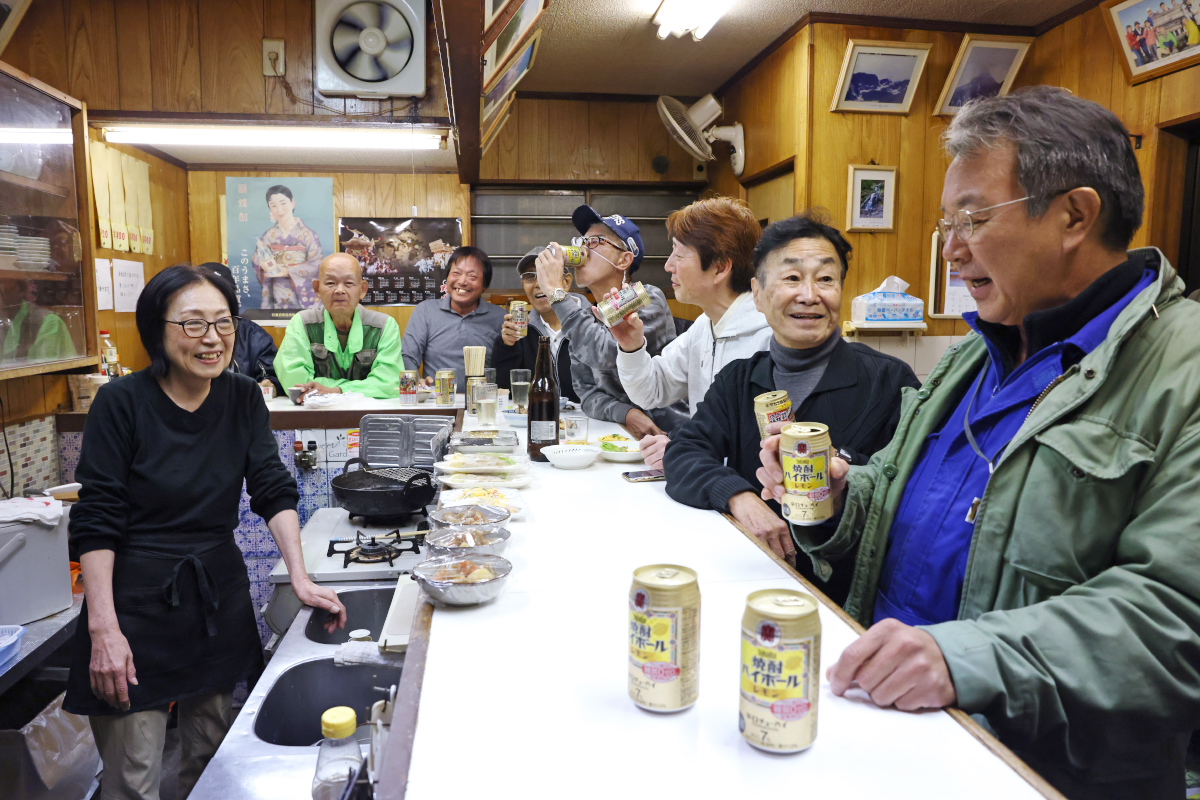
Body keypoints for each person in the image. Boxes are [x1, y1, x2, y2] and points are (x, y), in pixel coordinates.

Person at [756, 87, 1200, 800]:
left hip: (1035, 774)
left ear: (1075, 215)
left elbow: (1176, 614)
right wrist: (841, 499)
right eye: (946, 222)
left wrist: (962, 658)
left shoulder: (1185, 368)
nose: (951, 249)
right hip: (893, 734)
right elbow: (913, 505)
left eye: (973, 218)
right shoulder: (978, 352)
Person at [64, 264, 345, 800]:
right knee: (133, 778)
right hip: (135, 605)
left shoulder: (241, 397)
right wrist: (103, 629)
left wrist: (300, 579)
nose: (212, 338)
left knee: (214, 766)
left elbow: (272, 488)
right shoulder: (121, 403)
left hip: (218, 598)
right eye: (193, 324)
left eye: (223, 322)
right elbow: (97, 517)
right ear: (157, 329)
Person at [664, 213, 918, 605]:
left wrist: (843, 475)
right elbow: (685, 453)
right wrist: (739, 496)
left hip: (845, 595)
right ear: (759, 294)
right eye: (792, 278)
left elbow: (910, 488)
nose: (810, 295)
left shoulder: (888, 380)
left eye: (826, 279)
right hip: (749, 579)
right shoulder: (740, 379)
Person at [611, 197, 772, 470]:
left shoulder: (768, 336)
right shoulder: (704, 325)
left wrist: (680, 452)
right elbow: (652, 390)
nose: (668, 265)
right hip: (706, 482)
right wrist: (631, 346)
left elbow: (757, 443)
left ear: (720, 267)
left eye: (679, 254)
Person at [533, 205, 685, 437]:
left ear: (624, 260)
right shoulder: (584, 313)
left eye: (595, 241)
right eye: (581, 242)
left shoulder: (643, 296)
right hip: (621, 434)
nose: (582, 249)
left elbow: (603, 352)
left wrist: (556, 293)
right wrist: (626, 413)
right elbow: (586, 393)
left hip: (669, 435)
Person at [276, 252, 402, 401]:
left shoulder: (384, 326)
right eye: (330, 283)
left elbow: (390, 383)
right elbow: (294, 381)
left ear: (362, 289)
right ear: (317, 288)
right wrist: (363, 387)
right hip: (316, 417)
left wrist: (336, 390)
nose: (339, 290)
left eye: (349, 283)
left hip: (368, 416)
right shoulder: (302, 323)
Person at [401, 246, 506, 391]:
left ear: (485, 285)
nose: (462, 281)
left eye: (472, 276)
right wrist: (417, 382)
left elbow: (507, 365)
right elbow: (408, 356)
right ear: (447, 278)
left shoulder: (499, 317)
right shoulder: (426, 311)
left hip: (483, 402)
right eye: (456, 273)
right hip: (437, 403)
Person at [492, 247, 588, 402]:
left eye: (546, 274)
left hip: (594, 420)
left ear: (567, 281)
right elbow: (505, 394)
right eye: (530, 276)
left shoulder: (594, 321)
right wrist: (507, 347)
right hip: (540, 419)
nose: (538, 283)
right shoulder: (520, 331)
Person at [203, 262, 282, 394]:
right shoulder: (184, 331)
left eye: (224, 294)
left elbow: (272, 375)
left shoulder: (252, 333)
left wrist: (271, 384)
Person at [252, 184, 324, 310]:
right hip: (277, 291)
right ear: (269, 208)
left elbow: (317, 263)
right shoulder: (269, 235)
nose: (279, 210)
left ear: (292, 203)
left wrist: (288, 270)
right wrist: (262, 263)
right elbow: (257, 258)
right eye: (273, 206)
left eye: (283, 203)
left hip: (303, 293)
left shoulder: (308, 234)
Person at [0, 277, 76, 362]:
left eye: (1, 282)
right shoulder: (5, 318)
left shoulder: (48, 322)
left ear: (21, 290)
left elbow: (46, 370)